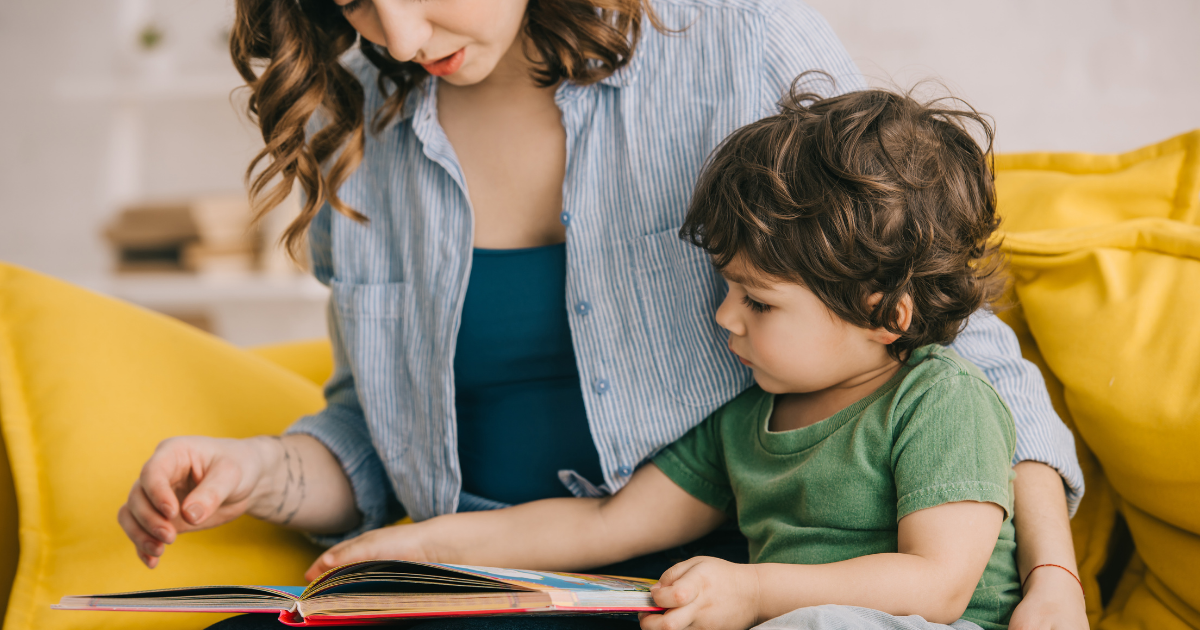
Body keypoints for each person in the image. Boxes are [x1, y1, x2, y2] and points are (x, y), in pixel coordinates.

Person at [116, 0, 1087, 628]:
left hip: (694, 586)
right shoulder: (351, 113)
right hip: (495, 579)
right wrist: (263, 470)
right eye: (356, 1)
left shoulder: (730, 39)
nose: (399, 39)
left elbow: (946, 337)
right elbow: (371, 433)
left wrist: (1054, 579)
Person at [301, 83, 1036, 630]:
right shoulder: (746, 419)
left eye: (758, 301)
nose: (724, 317)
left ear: (884, 314)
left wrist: (751, 592)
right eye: (729, 290)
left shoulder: (942, 400)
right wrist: (423, 545)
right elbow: (604, 525)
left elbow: (937, 584)